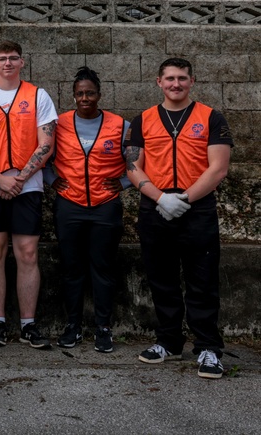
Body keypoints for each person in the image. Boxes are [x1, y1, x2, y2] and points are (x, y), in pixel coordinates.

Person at [124, 57, 232, 379]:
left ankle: (208, 348)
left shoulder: (211, 117)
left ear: (192, 81)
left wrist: (184, 199)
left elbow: (218, 168)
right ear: (159, 82)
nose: (176, 84)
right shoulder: (142, 120)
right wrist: (161, 198)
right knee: (161, 279)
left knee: (202, 280)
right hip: (155, 208)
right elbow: (132, 166)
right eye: (170, 78)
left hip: (197, 208)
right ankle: (169, 342)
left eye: (182, 78)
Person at [0, 40, 57, 349]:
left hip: (27, 185)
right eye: (2, 58)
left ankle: (28, 324)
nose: (8, 63)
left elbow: (46, 144)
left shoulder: (38, 95)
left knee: (28, 253)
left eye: (13, 58)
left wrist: (19, 179)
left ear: (22, 62)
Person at [49, 67, 128, 353]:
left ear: (99, 95)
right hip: (70, 205)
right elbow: (40, 153)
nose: (85, 98)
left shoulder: (120, 125)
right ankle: (73, 325)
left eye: (90, 93)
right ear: (74, 96)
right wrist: (50, 180)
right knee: (72, 268)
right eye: (80, 93)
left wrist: (124, 182)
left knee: (103, 268)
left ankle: (103, 328)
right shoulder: (58, 124)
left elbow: (139, 162)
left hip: (105, 206)